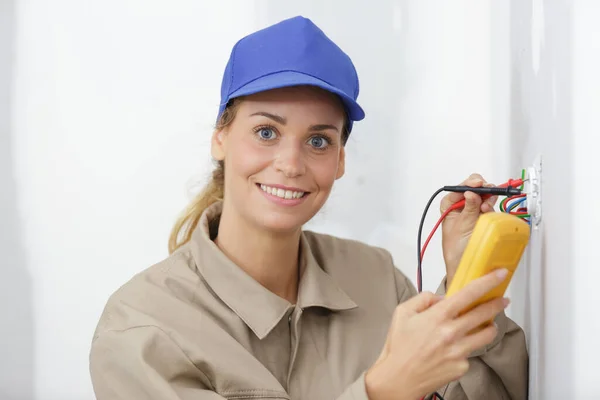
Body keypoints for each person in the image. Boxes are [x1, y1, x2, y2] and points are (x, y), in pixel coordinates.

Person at [89, 15, 528, 400]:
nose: (291, 164)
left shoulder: (376, 280)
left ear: (339, 161)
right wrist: (380, 391)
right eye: (266, 132)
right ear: (220, 137)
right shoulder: (141, 329)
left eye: (318, 140)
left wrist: (469, 280)